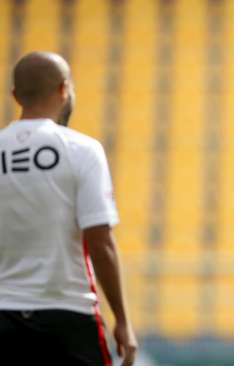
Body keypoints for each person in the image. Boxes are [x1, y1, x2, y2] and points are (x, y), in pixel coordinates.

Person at [0, 51, 137, 366]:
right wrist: (122, 320)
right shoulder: (82, 150)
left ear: (15, 96)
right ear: (64, 89)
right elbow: (101, 242)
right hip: (68, 313)